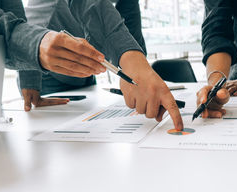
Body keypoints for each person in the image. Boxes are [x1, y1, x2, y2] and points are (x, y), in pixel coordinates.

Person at [0, 0, 183, 130]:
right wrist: (30, 70)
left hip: (79, 49)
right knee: (48, 131)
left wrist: (135, 60)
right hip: (47, 46)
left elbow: (130, 24)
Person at [19, 0, 147, 111]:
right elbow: (30, 25)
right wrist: (29, 79)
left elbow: (129, 13)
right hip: (47, 73)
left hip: (83, 64)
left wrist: (138, 64)